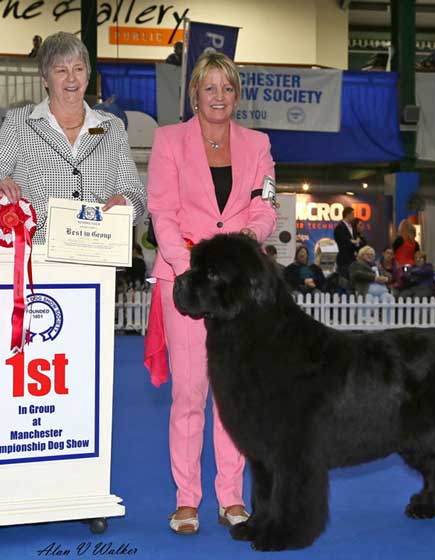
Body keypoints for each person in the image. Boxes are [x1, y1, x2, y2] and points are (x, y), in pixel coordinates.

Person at [146, 51, 276, 535]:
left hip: (239, 290)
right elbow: (162, 212)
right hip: (186, 284)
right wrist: (193, 270)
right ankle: (186, 500)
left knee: (233, 395)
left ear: (236, 95)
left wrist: (246, 246)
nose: (219, 97)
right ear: (194, 94)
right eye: (210, 88)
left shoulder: (259, 144)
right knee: (189, 394)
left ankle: (231, 497)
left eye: (228, 88)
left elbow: (264, 207)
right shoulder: (167, 141)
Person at [0, 32, 145, 244]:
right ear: (44, 79)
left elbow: (136, 192)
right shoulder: (20, 122)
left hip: (97, 256)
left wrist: (126, 202)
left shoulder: (112, 127)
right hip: (38, 259)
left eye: (78, 68)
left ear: (88, 75)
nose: (71, 78)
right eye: (61, 70)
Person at [333, 206, 359, 279]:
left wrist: (354, 242)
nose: (354, 217)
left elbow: (355, 240)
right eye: (353, 214)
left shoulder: (353, 227)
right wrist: (351, 241)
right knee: (344, 278)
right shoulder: (339, 227)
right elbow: (342, 241)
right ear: (347, 215)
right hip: (344, 258)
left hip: (352, 258)